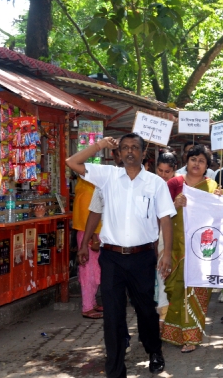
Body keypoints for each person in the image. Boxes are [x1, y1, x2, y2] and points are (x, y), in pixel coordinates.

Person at [66, 133, 175, 377]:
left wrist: (166, 253)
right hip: (112, 257)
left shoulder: (155, 183)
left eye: (134, 148)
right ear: (117, 153)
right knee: (113, 315)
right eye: (124, 148)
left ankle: (153, 349)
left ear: (143, 153)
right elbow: (72, 162)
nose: (129, 151)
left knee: (146, 309)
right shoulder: (108, 177)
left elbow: (166, 219)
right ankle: (115, 369)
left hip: (143, 258)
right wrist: (100, 144)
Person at [161, 145, 223, 353]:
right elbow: (161, 211)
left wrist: (219, 199)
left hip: (200, 250)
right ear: (186, 161)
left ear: (207, 166)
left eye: (202, 161)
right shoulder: (174, 183)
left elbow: (217, 217)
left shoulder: (212, 185)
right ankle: (173, 333)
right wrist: (175, 204)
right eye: (193, 159)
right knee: (176, 290)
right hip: (175, 247)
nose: (197, 164)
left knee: (197, 291)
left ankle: (192, 337)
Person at [154, 151, 178, 331]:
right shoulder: (150, 184)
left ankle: (166, 319)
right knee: (160, 276)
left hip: (172, 237)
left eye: (167, 171)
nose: (163, 175)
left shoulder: (179, 185)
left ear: (174, 171)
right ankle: (162, 316)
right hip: (152, 238)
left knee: (167, 275)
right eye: (160, 171)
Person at [73, 178, 103, 319]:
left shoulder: (83, 187)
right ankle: (88, 307)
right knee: (89, 273)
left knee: (93, 270)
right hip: (90, 235)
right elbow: (89, 218)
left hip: (88, 234)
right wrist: (94, 237)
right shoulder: (88, 191)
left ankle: (92, 303)